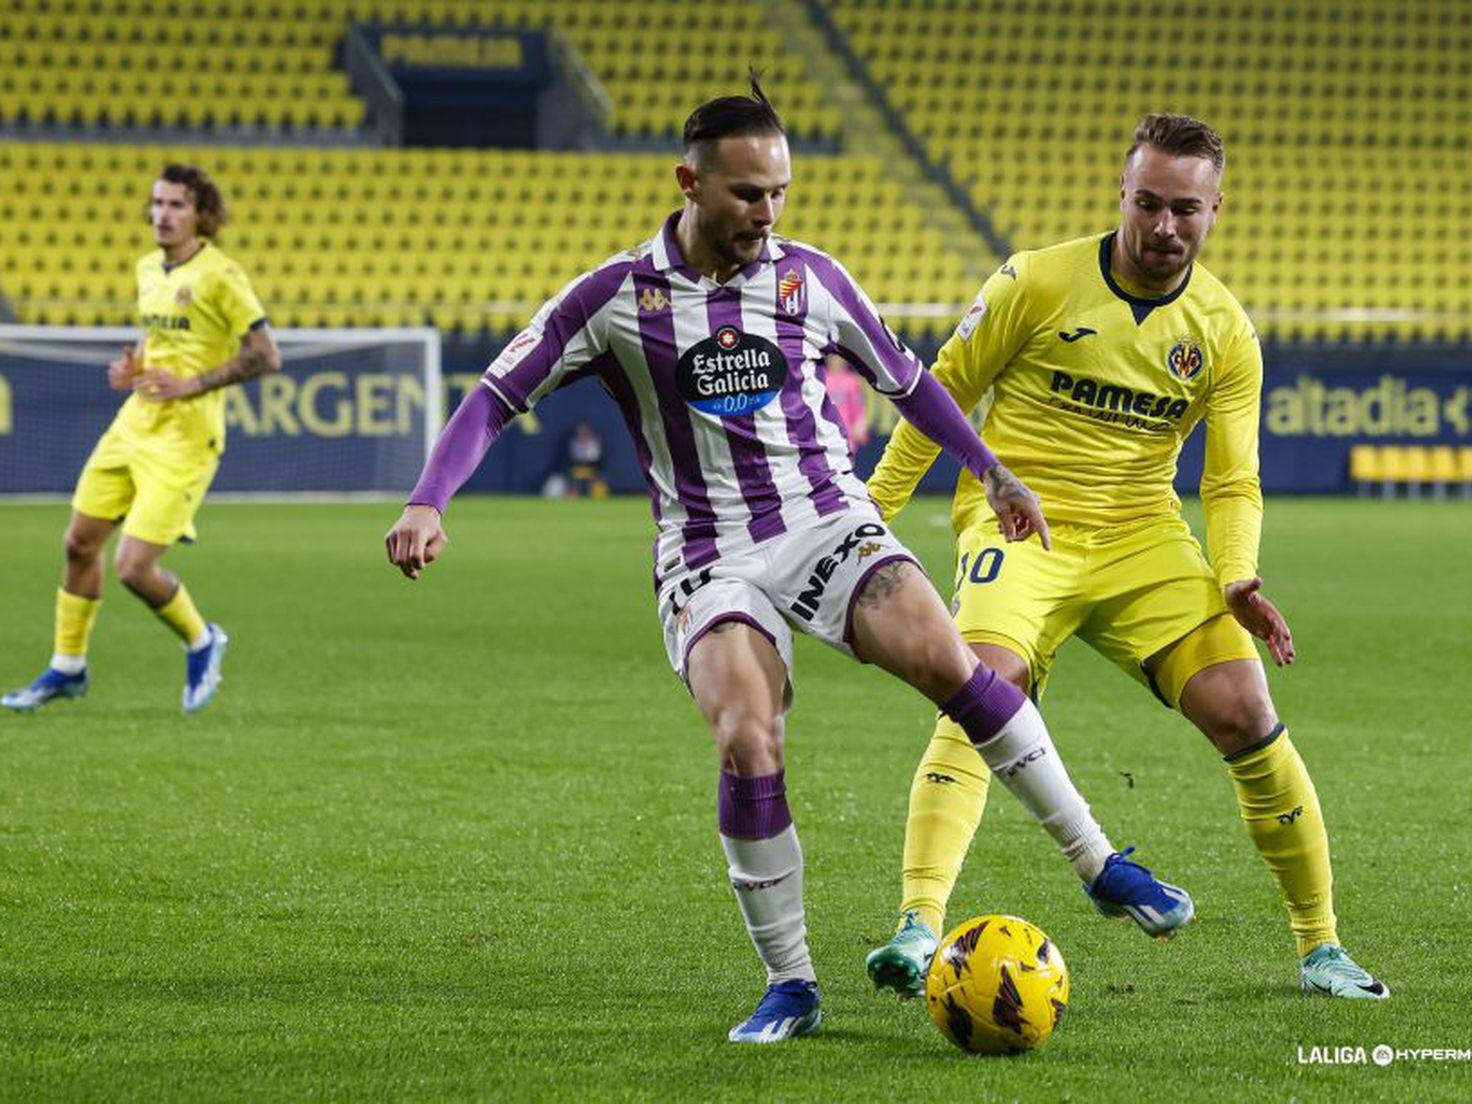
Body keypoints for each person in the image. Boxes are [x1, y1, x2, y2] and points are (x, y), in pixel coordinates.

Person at [385, 79, 1192, 1044]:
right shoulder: (613, 299)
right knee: (747, 737)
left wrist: (992, 471)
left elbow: (909, 384)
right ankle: (792, 983)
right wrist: (430, 498)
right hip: (708, 557)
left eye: (778, 194)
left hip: (826, 525)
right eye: (745, 194)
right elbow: (491, 398)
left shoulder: (811, 279)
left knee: (950, 663)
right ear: (690, 181)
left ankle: (1099, 863)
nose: (766, 215)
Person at [863, 114, 1387, 1000]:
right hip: (1020, 527)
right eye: (1147, 203)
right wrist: (872, 514)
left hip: (1143, 537)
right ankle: (917, 928)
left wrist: (1237, 576)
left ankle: (1321, 946)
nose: (1164, 226)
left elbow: (1232, 482)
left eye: (1185, 208)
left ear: (1217, 207)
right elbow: (938, 395)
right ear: (1123, 194)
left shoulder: (1223, 331)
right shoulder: (1035, 281)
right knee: (982, 683)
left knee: (1244, 706)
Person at [4, 164, 280, 715]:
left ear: (201, 214)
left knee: (133, 567)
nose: (162, 215)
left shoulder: (221, 275)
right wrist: (136, 364)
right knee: (78, 543)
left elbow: (265, 354)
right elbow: (158, 333)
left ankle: (203, 641)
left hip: (186, 437)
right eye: (156, 203)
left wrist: (191, 383)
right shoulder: (147, 269)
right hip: (134, 424)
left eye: (176, 205)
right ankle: (67, 667)